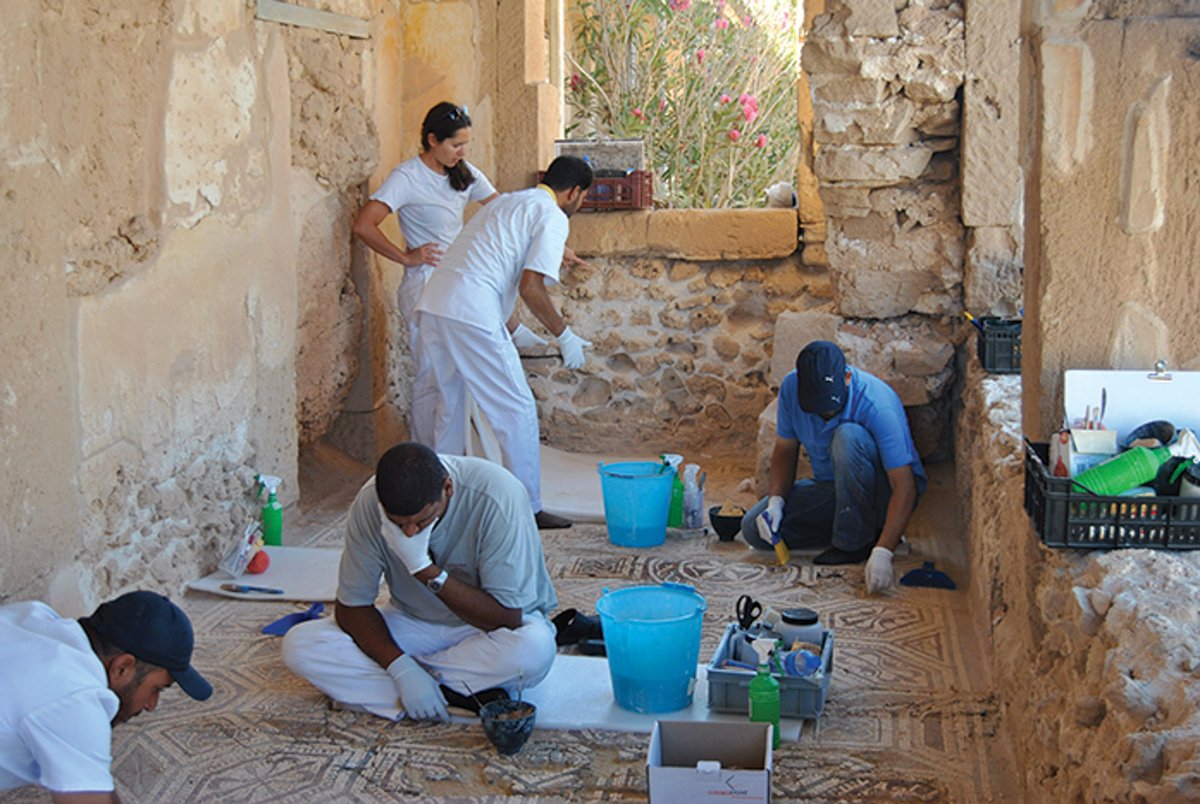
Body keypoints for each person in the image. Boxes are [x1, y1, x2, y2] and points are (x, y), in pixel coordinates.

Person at [281, 442, 558, 722]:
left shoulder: (496, 495)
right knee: (300, 646)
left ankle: (415, 692)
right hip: (413, 621)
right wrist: (401, 668)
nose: (410, 531)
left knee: (534, 650)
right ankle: (457, 692)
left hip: (483, 631)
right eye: (398, 523)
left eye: (421, 520)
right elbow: (352, 608)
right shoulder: (368, 504)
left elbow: (506, 617)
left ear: (448, 488)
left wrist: (423, 569)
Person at [410, 155, 595, 530]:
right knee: (517, 408)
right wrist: (565, 335)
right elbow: (530, 286)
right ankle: (529, 508)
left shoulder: (509, 201)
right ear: (575, 192)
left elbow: (492, 267)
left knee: (450, 406)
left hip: (436, 304)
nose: (580, 204)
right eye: (583, 197)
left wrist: (516, 332)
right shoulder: (553, 216)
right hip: (470, 311)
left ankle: (439, 508)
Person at [740, 340, 927, 595]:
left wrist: (884, 552)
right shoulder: (791, 389)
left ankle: (856, 542)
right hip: (837, 490)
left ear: (847, 378)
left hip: (881, 493)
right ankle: (856, 527)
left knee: (847, 436)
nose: (824, 416)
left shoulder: (877, 402)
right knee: (753, 529)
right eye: (816, 409)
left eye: (830, 406)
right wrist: (776, 503)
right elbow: (785, 450)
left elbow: (905, 486)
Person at [0, 591, 212, 799]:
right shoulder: (75, 698)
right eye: (156, 689)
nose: (151, 705)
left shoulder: (33, 615)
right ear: (122, 668)